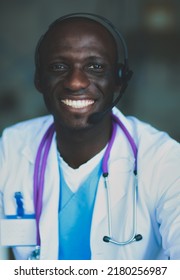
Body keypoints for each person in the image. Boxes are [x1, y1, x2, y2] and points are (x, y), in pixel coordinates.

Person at [0, 13, 180, 260]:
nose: (75, 82)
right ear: (39, 79)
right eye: (59, 67)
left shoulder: (165, 160)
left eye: (95, 67)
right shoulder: (10, 148)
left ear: (119, 80)